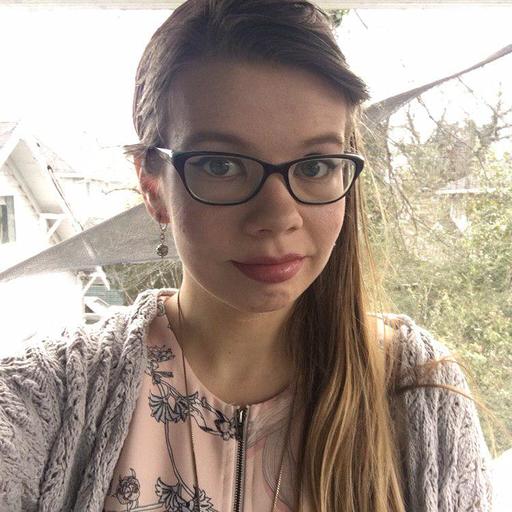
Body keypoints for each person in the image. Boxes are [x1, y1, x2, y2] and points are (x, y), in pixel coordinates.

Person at [0, 1, 493, 511]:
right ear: (152, 184)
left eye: (316, 165)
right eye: (222, 165)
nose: (278, 216)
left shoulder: (418, 391)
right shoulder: (49, 397)